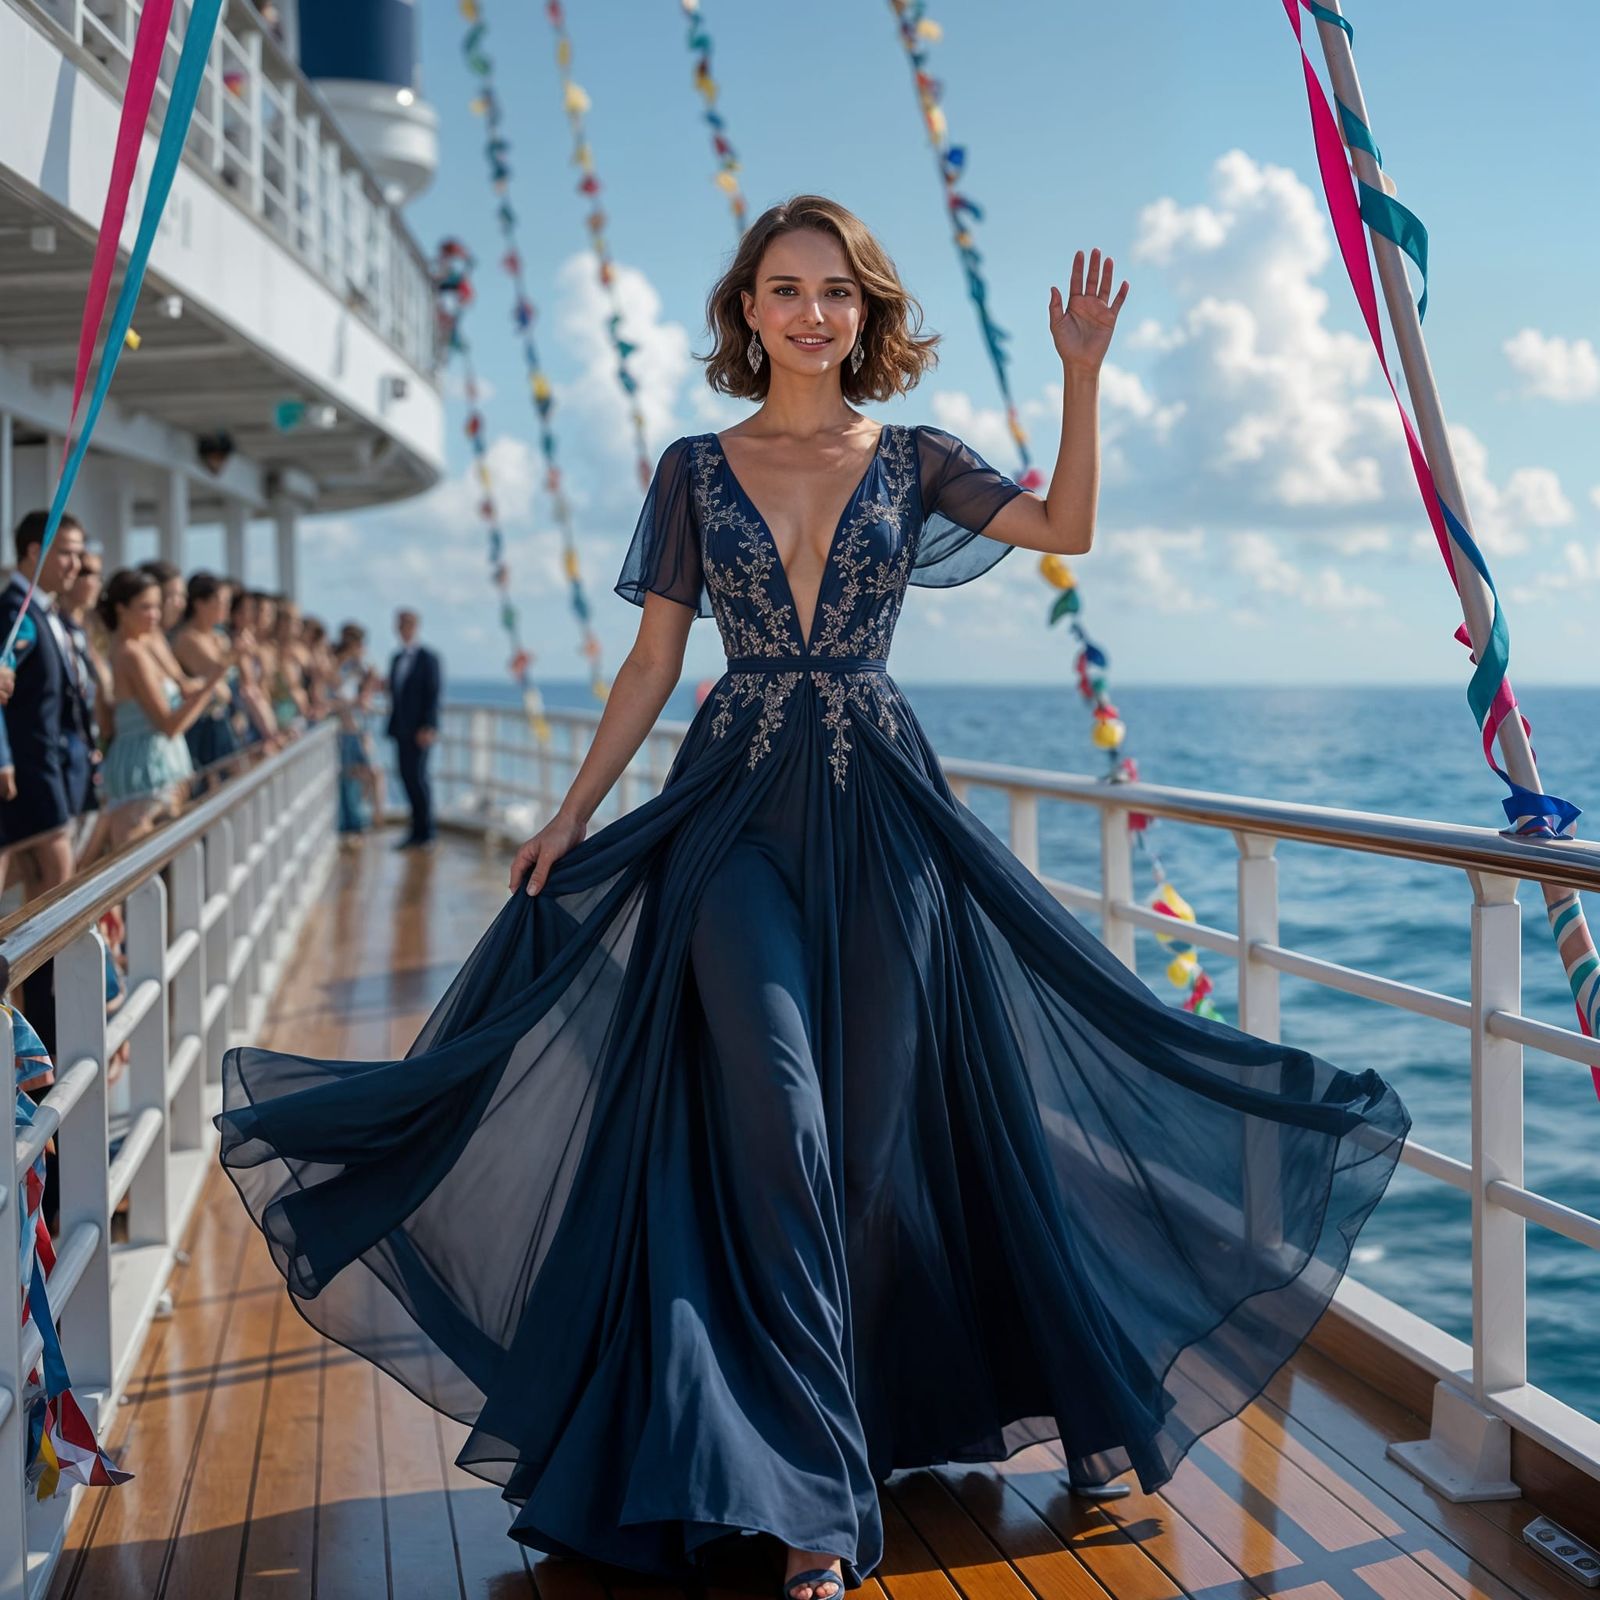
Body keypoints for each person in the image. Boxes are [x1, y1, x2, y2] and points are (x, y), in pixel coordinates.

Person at [216, 197, 1409, 1598]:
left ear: (866, 312)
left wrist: (1081, 375)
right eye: (783, 289)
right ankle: (816, 1509)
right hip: (734, 821)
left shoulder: (915, 459)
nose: (810, 313)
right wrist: (572, 812)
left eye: (834, 292)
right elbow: (654, 665)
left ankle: (845, 1425)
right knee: (779, 1124)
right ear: (746, 313)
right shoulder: (690, 470)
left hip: (886, 820)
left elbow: (1064, 524)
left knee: (864, 1147)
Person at [95, 569, 226, 849]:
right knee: (148, 870)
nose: (155, 615)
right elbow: (168, 724)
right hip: (145, 772)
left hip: (151, 766)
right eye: (145, 607)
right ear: (121, 609)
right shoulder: (131, 654)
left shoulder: (137, 647)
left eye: (156, 606)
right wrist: (211, 683)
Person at [0, 511, 88, 903]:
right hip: (27, 770)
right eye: (68, 554)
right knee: (56, 876)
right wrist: (2, 758)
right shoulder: (15, 612)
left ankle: (39, 967)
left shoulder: (43, 611)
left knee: (44, 876)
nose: (77, 565)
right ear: (34, 552)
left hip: (47, 769)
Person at [171, 572, 240, 786]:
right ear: (200, 603)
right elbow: (217, 682)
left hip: (220, 722)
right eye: (220, 601)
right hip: (201, 727)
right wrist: (234, 654)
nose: (226, 607)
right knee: (209, 790)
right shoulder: (187, 638)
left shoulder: (218, 637)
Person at [384, 607, 440, 849]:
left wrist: (429, 726)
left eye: (407, 624)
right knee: (406, 778)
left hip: (420, 731)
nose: (403, 629)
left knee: (419, 779)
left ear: (416, 627)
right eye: (400, 624)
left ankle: (426, 832)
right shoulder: (396, 658)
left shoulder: (429, 658)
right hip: (400, 730)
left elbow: (433, 694)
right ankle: (415, 830)